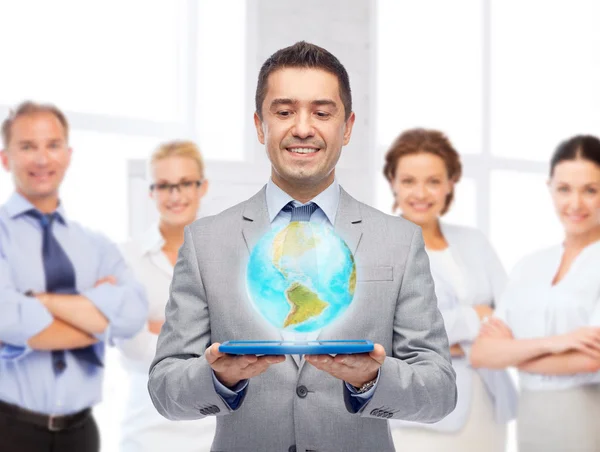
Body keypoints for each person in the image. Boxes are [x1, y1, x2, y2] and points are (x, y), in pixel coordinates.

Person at [148, 41, 457, 452]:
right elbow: (164, 387)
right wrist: (219, 378)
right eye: (284, 111)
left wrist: (371, 380)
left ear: (347, 127)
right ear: (260, 126)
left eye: (322, 112)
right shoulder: (206, 242)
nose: (303, 128)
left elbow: (439, 391)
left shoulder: (399, 242)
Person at [0, 101, 148, 452]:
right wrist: (96, 314)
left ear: (68, 155)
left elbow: (133, 314)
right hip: (10, 431)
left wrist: (41, 301)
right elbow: (9, 320)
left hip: (82, 433)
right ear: (5, 158)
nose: (41, 159)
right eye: (27, 147)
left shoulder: (95, 245)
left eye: (52, 145)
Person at [381, 128, 517, 451]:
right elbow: (389, 336)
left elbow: (511, 315)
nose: (421, 192)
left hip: (487, 407)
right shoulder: (381, 246)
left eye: (433, 181)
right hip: (423, 412)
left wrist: (446, 339)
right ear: (393, 183)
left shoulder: (474, 241)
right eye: (409, 180)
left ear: (450, 184)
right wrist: (475, 319)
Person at [471, 134, 600, 452]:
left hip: (587, 417)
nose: (575, 203)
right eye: (565, 189)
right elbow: (482, 353)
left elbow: (589, 360)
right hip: (530, 421)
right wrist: (555, 343)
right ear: (550, 189)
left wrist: (512, 351)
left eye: (591, 190)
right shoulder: (529, 266)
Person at [118, 140, 213, 451]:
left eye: (185, 183)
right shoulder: (127, 259)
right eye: (164, 186)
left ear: (202, 187)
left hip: (214, 428)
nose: (175, 196)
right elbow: (132, 346)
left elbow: (243, 340)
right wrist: (205, 334)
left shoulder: (226, 255)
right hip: (147, 431)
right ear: (151, 191)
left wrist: (160, 327)